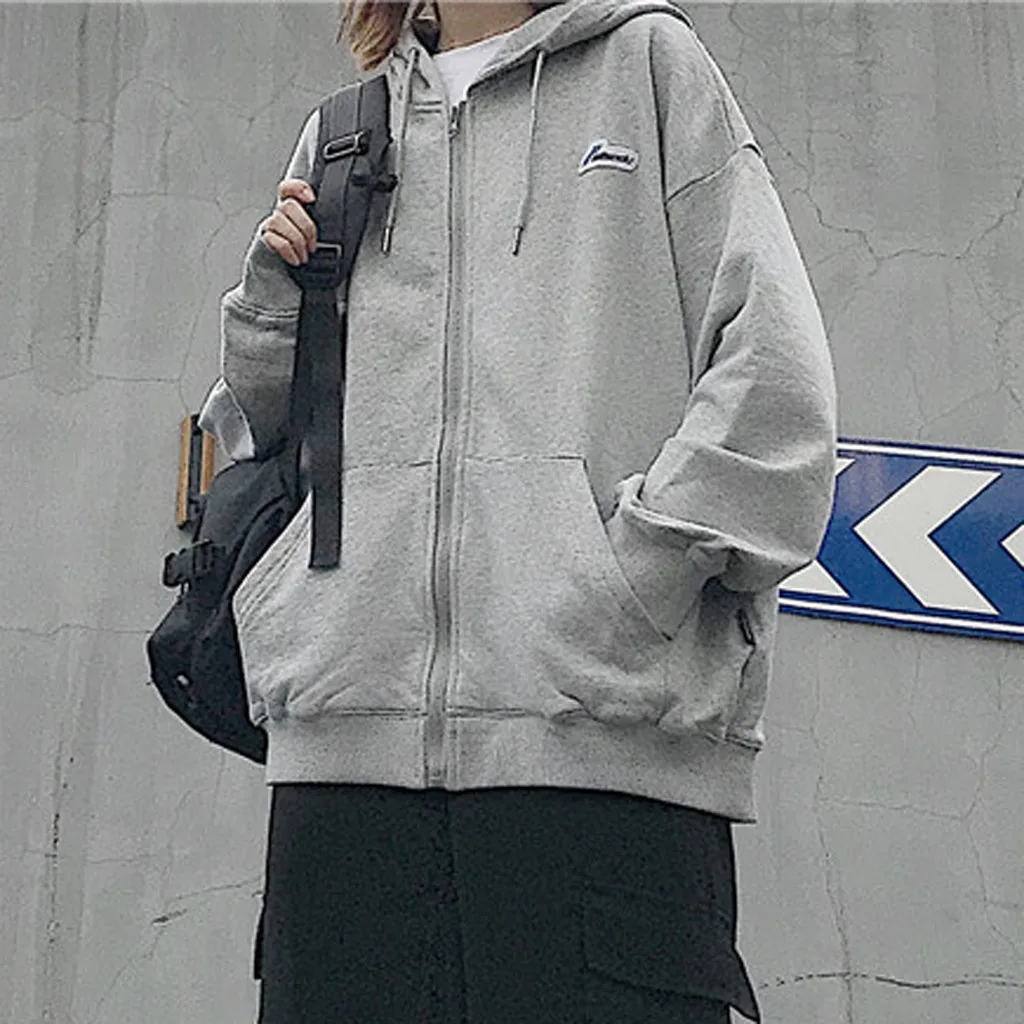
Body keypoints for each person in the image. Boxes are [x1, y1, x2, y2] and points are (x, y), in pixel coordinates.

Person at [197, 0, 838, 1020]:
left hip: (602, 762)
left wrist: (629, 583)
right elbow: (269, 442)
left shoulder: (649, 68)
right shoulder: (347, 128)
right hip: (343, 770)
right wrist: (276, 303)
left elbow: (776, 386)